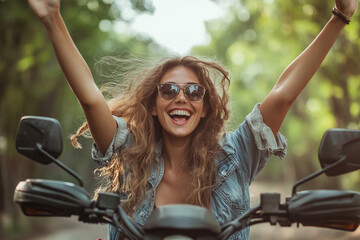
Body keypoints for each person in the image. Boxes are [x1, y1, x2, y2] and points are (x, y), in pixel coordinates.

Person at [27, 0, 358, 239]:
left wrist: (340, 16)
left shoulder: (236, 153)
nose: (181, 97)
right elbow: (90, 98)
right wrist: (53, 17)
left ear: (205, 108)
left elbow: (283, 94)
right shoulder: (129, 150)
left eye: (193, 92)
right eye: (168, 90)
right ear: (154, 105)